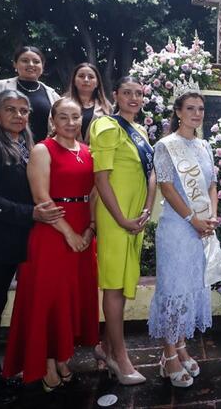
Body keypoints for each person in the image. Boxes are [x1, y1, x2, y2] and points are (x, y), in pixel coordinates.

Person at [0, 90, 64, 406]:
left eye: (24, 111)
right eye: (11, 110)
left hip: (10, 245)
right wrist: (29, 213)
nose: (19, 116)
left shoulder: (24, 147)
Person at [2, 98, 99, 391]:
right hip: (51, 234)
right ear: (53, 121)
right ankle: (44, 363)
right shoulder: (42, 150)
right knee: (48, 299)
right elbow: (41, 197)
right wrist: (69, 233)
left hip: (83, 231)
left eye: (76, 117)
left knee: (70, 299)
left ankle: (61, 357)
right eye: (64, 117)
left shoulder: (87, 151)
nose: (71, 122)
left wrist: (90, 229)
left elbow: (94, 193)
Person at [148, 88, 217, 388]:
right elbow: (166, 187)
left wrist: (210, 215)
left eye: (200, 108)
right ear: (178, 112)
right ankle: (167, 356)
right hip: (177, 229)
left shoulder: (204, 145)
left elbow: (212, 182)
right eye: (190, 108)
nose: (196, 114)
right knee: (173, 290)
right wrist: (193, 218)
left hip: (201, 227)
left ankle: (181, 346)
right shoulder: (166, 145)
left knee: (190, 289)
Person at [90, 77, 155, 385]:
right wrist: (121, 218)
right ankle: (119, 356)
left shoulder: (141, 131)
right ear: (114, 95)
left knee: (123, 282)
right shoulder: (105, 126)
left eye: (138, 93)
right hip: (115, 217)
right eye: (126, 92)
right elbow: (101, 179)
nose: (133, 97)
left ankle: (104, 347)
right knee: (114, 287)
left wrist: (146, 209)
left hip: (135, 217)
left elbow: (150, 173)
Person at [0, 46, 60, 142]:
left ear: (42, 66)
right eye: (25, 61)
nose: (31, 64)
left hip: (42, 153)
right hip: (5, 150)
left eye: (36, 62)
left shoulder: (53, 95)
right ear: (15, 64)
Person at [65, 62, 112, 142]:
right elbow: (52, 131)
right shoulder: (62, 104)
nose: (86, 80)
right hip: (66, 151)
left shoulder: (106, 107)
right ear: (74, 81)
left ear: (97, 83)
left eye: (90, 77)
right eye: (81, 76)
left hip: (97, 153)